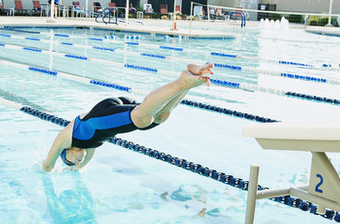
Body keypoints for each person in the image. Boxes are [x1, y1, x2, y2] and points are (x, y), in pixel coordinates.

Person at [42, 63, 214, 171]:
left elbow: (48, 163)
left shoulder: (65, 138)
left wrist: (47, 170)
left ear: (65, 154)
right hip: (112, 115)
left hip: (101, 113)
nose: (77, 162)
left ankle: (181, 82)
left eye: (71, 162)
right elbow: (83, 165)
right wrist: (75, 169)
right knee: (161, 117)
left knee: (142, 118)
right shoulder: (89, 149)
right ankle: (192, 79)